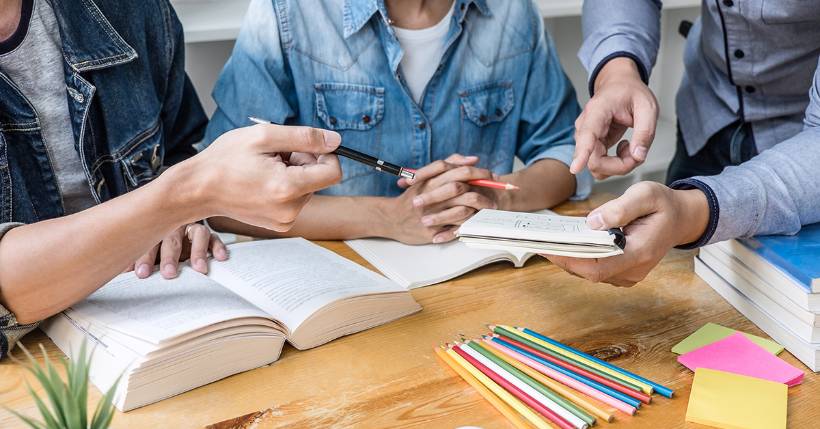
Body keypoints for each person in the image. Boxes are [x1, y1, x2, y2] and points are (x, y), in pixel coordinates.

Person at [0, 0, 343, 359]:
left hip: (158, 328)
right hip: (31, 370)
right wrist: (181, 197)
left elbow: (176, 148)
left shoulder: (135, 9)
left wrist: (181, 221)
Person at [205, 0, 592, 244]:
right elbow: (221, 198)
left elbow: (567, 154)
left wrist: (496, 197)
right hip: (338, 280)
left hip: (473, 275)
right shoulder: (287, 11)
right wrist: (387, 218)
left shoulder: (513, 11)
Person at [544, 1, 820, 286]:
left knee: (784, 307)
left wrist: (691, 212)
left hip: (805, 159)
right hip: (706, 115)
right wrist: (617, 73)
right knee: (679, 285)